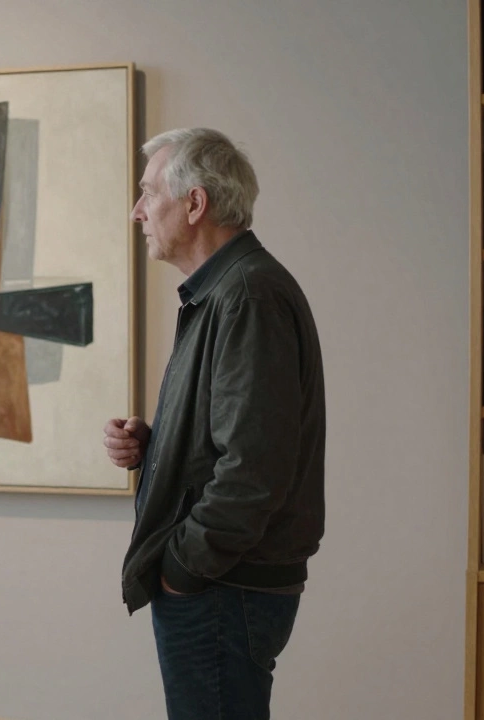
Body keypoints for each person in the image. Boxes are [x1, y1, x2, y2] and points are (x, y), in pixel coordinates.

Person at [104, 128, 325, 720]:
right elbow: (236, 438)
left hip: (222, 585)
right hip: (221, 580)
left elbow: (252, 471)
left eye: (149, 192)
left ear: (195, 204)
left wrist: (183, 568)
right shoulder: (228, 290)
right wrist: (157, 448)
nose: (137, 211)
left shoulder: (247, 295)